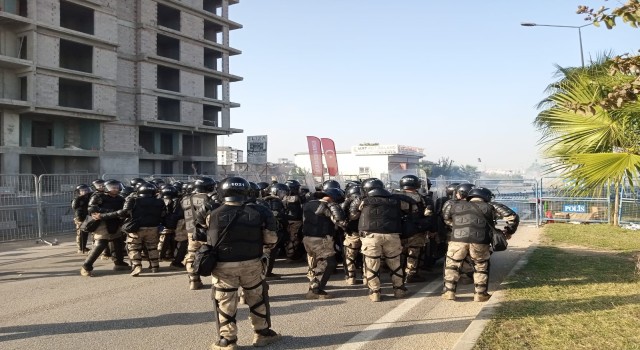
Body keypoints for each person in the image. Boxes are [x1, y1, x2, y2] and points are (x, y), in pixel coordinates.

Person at [206, 177, 281, 350]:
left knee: (225, 302)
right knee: (256, 299)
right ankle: (262, 334)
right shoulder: (258, 212)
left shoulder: (213, 213)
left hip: (223, 265)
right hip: (252, 263)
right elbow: (271, 240)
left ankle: (228, 340)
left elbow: (203, 237)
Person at [441, 187, 519, 302]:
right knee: (480, 267)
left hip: (457, 240)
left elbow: (446, 218)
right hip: (480, 241)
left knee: (452, 266)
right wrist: (508, 231)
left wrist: (457, 226)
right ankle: (480, 294)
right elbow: (513, 217)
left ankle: (449, 292)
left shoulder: (455, 205)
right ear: (486, 196)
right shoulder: (491, 206)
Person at [356, 178, 412, 302]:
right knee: (395, 264)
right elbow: (410, 209)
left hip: (371, 236)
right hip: (392, 235)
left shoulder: (363, 201)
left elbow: (353, 214)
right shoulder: (396, 200)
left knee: (372, 265)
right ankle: (399, 290)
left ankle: (375, 292)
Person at [302, 187, 347, 299]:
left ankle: (313, 287)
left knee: (316, 264)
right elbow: (340, 219)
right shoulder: (326, 205)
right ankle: (315, 290)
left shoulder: (308, 204)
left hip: (308, 238)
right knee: (328, 263)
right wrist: (332, 204)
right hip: (320, 239)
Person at [80, 180, 129, 276]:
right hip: (101, 223)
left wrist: (116, 214)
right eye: (112, 187)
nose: (115, 189)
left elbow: (124, 210)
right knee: (100, 244)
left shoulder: (120, 198)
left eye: (116, 187)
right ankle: (86, 267)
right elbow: (92, 209)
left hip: (115, 222)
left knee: (118, 242)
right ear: (106, 188)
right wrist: (111, 212)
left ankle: (119, 264)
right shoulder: (98, 196)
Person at [118, 182, 166, 276]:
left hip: (137, 228)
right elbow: (163, 214)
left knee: (134, 247)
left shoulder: (134, 200)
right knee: (152, 247)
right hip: (153, 227)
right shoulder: (159, 201)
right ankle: (155, 266)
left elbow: (125, 212)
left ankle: (137, 266)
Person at [394, 175, 433, 283]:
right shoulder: (422, 198)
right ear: (417, 184)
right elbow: (428, 215)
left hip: (397, 229)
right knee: (414, 252)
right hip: (416, 230)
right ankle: (411, 274)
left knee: (398, 253)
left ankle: (398, 274)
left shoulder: (393, 196)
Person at [181, 177, 217, 290]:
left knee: (191, 255)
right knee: (214, 254)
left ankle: (194, 280)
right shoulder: (209, 198)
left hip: (191, 231)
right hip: (207, 231)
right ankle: (217, 282)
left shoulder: (185, 199)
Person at [342, 184, 363, 285]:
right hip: (367, 233)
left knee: (350, 257)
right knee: (367, 257)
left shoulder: (347, 203)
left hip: (352, 234)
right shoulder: (367, 201)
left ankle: (351, 278)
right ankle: (367, 277)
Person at [283, 179, 305, 261]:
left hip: (288, 220)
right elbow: (297, 198)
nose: (299, 190)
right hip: (294, 221)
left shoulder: (284, 197)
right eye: (297, 188)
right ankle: (290, 256)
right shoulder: (292, 198)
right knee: (293, 239)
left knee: (291, 238)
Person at [72, 184, 92, 254]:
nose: (85, 192)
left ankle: (84, 247)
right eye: (83, 190)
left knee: (86, 232)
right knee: (81, 233)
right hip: (81, 218)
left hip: (88, 217)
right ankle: (81, 248)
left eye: (86, 190)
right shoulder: (77, 199)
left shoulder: (89, 197)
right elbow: (75, 207)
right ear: (79, 192)